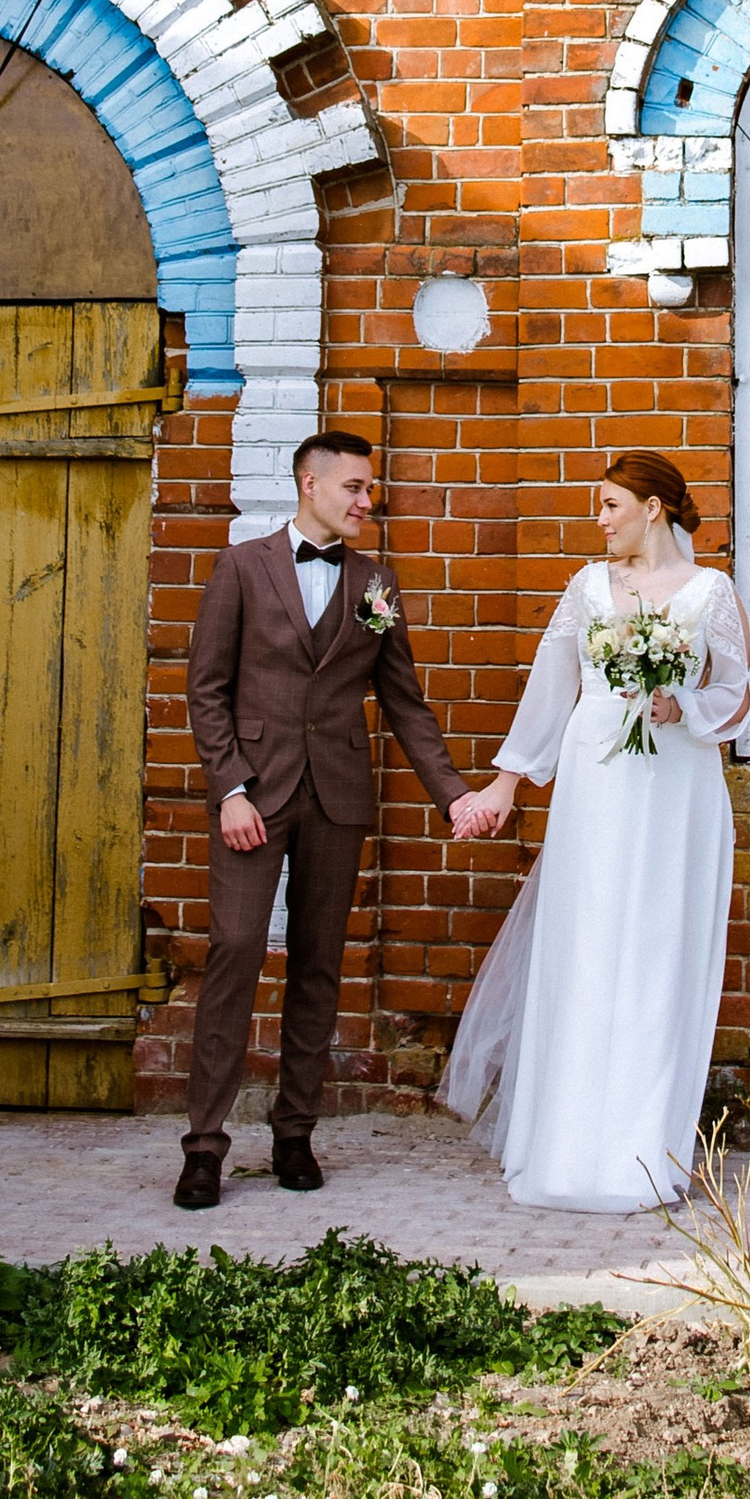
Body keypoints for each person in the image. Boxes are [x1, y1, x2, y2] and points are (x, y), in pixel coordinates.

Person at [181, 427, 505, 1211]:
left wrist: (455, 793)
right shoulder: (241, 567)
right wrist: (230, 789)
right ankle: (203, 1147)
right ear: (310, 485)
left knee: (320, 967)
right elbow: (206, 690)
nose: (368, 500)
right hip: (253, 797)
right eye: (356, 487)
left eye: (370, 489)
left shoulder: (376, 582)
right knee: (235, 953)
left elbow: (405, 702)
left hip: (337, 797)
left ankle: (295, 1132)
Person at [444, 449, 749, 1212]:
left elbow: (741, 694)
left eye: (611, 504)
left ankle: (643, 1149)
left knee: (657, 949)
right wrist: (507, 782)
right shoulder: (587, 589)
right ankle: (565, 1142)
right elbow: (549, 690)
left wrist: (688, 707)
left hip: (677, 783)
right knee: (584, 942)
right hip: (596, 779)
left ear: (653, 508)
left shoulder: (712, 592)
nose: (600, 520)